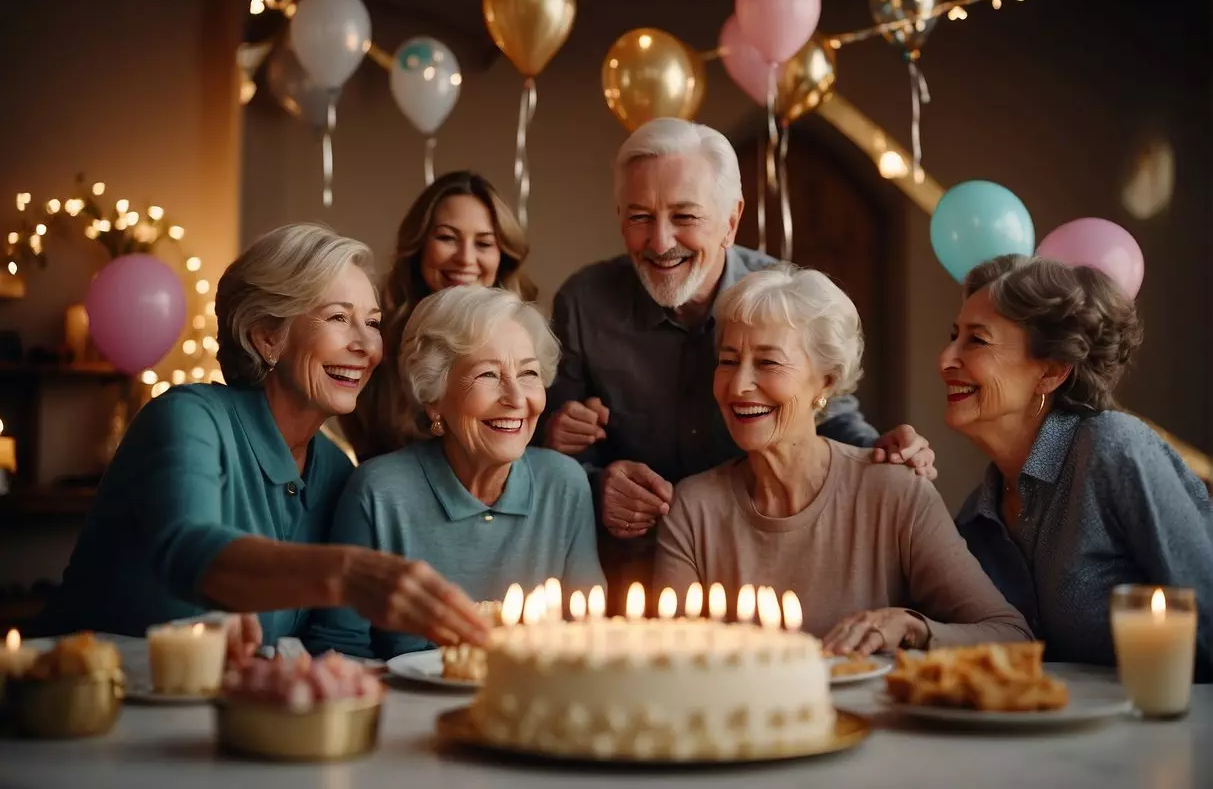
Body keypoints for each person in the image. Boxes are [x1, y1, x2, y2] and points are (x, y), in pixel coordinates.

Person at [543, 118, 937, 612]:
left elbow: (824, 413)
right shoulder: (583, 302)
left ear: (731, 220)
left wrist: (884, 455)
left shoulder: (781, 294)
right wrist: (596, 483)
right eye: (640, 217)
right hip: (632, 577)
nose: (661, 241)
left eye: (684, 217)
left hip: (761, 566)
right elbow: (555, 452)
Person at [34, 224, 488, 651]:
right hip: (80, 703)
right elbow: (189, 551)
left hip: (216, 723)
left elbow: (334, 644)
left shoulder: (334, 470)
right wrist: (347, 571)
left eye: (372, 323)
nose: (367, 347)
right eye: (338, 317)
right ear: (267, 337)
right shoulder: (187, 418)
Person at [652, 266, 1029, 651]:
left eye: (768, 363)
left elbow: (1010, 635)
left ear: (827, 381)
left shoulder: (895, 492)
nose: (738, 385)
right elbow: (675, 666)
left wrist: (911, 627)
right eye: (729, 361)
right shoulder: (693, 508)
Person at [943, 255, 1212, 680]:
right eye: (953, 335)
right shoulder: (978, 513)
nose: (945, 359)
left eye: (976, 340)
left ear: (1050, 372)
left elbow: (1209, 624)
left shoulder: (1112, 449)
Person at [307, 285, 605, 660]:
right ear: (434, 398)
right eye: (488, 375)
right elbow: (338, 647)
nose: (516, 398)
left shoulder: (564, 485)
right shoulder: (380, 492)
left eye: (528, 374)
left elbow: (588, 636)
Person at [341, 171, 537, 462]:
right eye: (447, 237)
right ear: (419, 245)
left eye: (483, 243)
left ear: (502, 255)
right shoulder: (374, 338)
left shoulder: (530, 340)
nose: (466, 259)